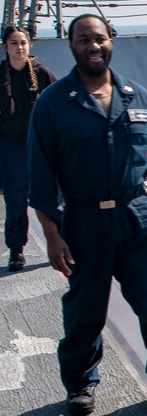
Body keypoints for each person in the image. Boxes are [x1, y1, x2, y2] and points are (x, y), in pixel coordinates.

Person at [27, 13, 147, 416]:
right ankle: (80, 384)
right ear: (71, 45)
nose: (93, 46)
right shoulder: (53, 104)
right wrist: (52, 234)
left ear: (112, 41)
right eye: (84, 39)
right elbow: (41, 175)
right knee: (85, 308)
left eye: (100, 38)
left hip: (137, 215)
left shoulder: (138, 98)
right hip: (83, 220)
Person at [1, 24, 57, 271]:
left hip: (41, 148)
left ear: (29, 45)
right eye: (13, 43)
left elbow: (59, 106)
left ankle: (61, 243)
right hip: (12, 147)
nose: (19, 47)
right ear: (5, 47)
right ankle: (16, 250)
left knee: (53, 198)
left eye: (22, 42)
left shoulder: (42, 74)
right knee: (15, 200)